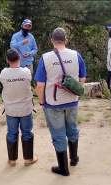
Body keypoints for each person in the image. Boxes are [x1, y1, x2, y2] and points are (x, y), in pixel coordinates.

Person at [35, 27, 87, 176]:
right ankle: (74, 158)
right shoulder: (76, 55)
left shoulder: (45, 58)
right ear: (66, 40)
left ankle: (63, 168)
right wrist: (77, 90)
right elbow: (82, 77)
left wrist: (42, 102)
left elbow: (40, 85)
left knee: (58, 134)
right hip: (72, 101)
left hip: (53, 103)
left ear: (52, 40)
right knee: (72, 129)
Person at [0, 48, 38, 166]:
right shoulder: (26, 72)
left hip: (10, 109)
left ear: (7, 60)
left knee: (11, 133)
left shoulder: (3, 73)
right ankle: (28, 159)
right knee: (27, 132)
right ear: (19, 58)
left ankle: (12, 160)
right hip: (25, 109)